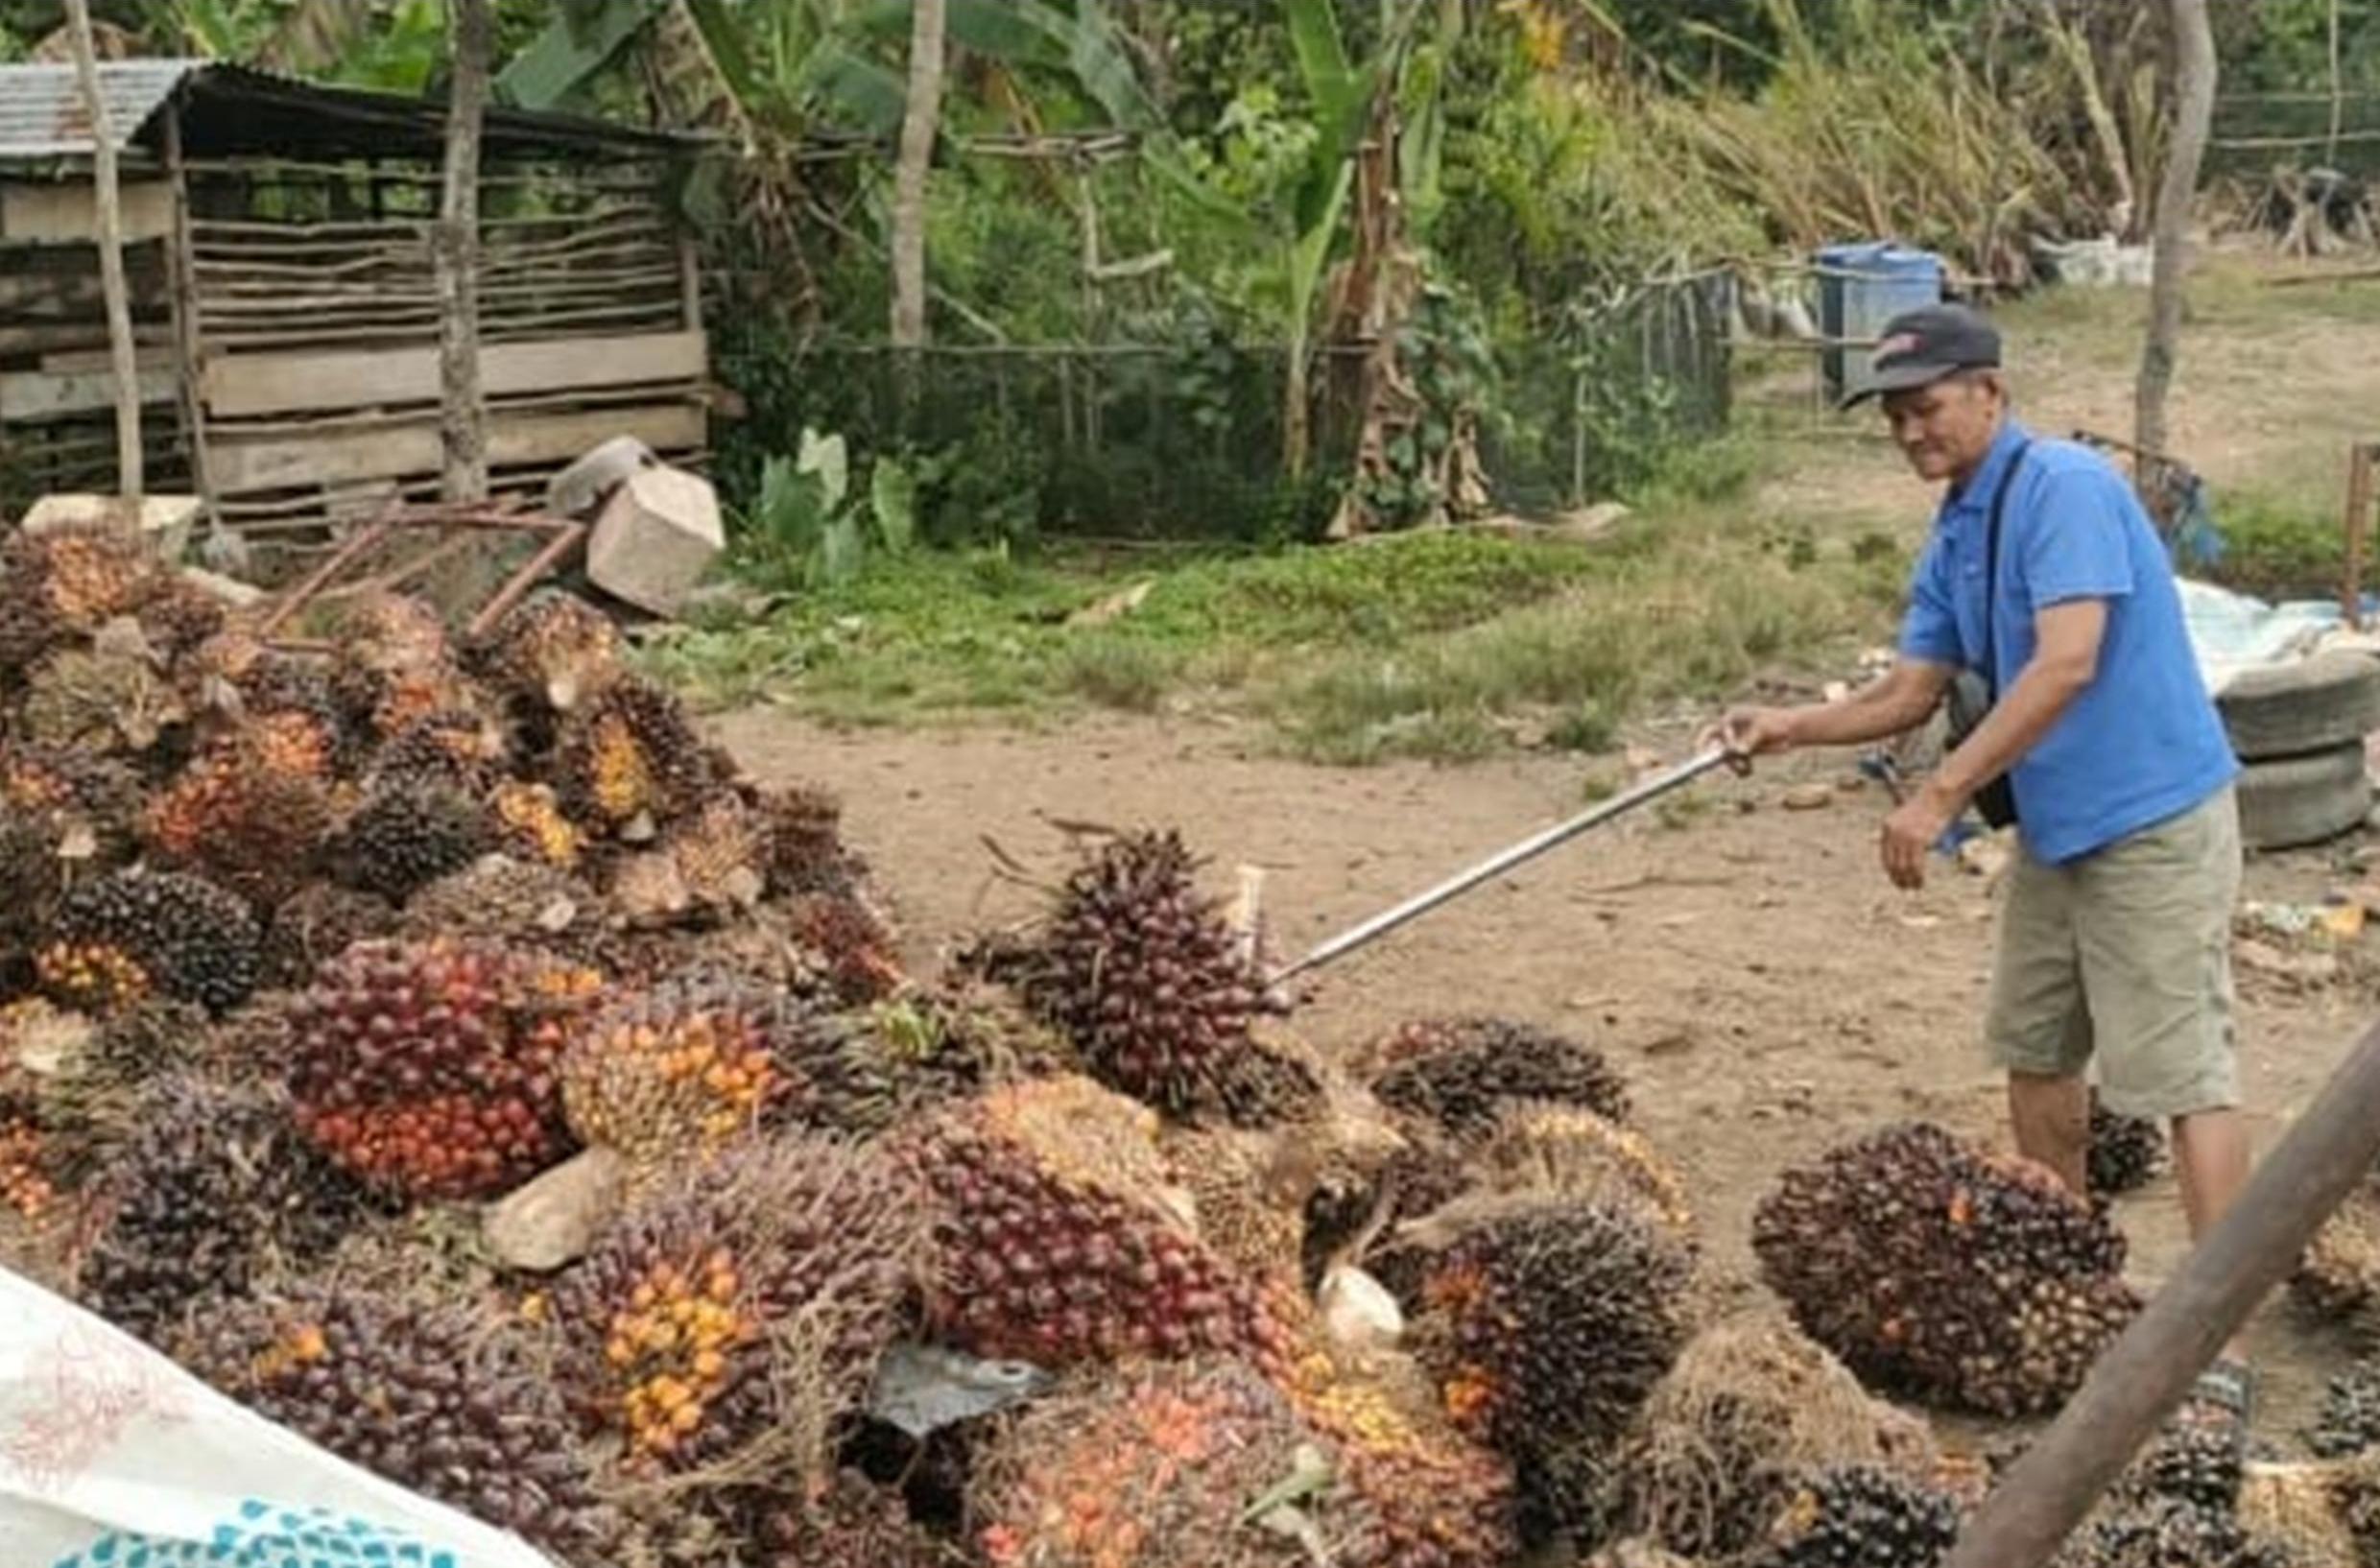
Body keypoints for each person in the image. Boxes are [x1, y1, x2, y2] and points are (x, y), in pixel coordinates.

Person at [1710, 301, 2253, 1408]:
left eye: (1928, 406)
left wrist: (1939, 793)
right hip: (2058, 830)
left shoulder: (2063, 488)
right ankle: (2073, 1293)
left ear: (1989, 395)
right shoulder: (1956, 526)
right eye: (1894, 417)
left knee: (2177, 1071)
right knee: (2037, 1054)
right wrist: (1785, 726)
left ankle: (2220, 1342)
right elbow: (1910, 687)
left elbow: (2064, 664)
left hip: (2148, 818)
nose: (1912, 431)